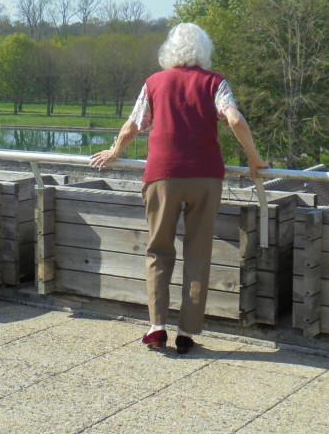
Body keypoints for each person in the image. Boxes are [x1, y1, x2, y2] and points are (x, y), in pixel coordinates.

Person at [89, 22, 269, 354]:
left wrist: (115, 151)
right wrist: (253, 158)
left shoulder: (154, 83)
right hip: (205, 178)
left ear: (169, 50)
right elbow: (234, 119)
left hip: (162, 176)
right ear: (203, 50)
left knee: (159, 250)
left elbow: (135, 124)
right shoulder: (215, 83)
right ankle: (187, 332)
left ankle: (157, 327)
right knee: (198, 254)